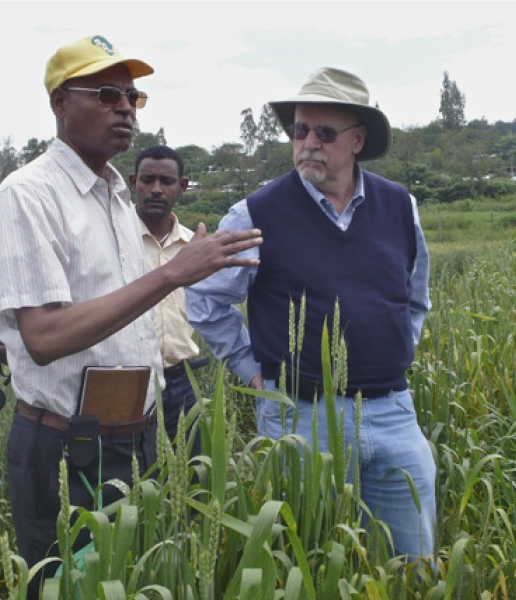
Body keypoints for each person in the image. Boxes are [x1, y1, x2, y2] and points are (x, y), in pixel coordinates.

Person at [0, 34, 261, 597]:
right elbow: (43, 336)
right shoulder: (27, 196)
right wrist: (173, 273)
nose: (126, 108)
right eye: (107, 93)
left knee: (132, 582)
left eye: (134, 97)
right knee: (68, 587)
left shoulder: (113, 196)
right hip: (68, 449)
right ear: (60, 102)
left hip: (138, 438)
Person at [186, 67, 436, 562]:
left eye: (325, 132)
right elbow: (204, 301)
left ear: (358, 139)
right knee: (311, 560)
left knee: (413, 563)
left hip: (392, 412)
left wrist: (391, 355)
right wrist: (252, 373)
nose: (308, 143)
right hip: (300, 415)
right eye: (300, 130)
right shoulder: (255, 213)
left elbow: (414, 297)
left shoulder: (399, 206)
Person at [130, 145, 204, 455]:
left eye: (167, 181)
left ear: (182, 186)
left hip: (182, 380)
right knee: (134, 481)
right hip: (130, 382)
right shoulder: (115, 242)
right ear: (134, 182)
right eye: (147, 180)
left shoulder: (196, 246)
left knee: (190, 483)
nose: (156, 189)